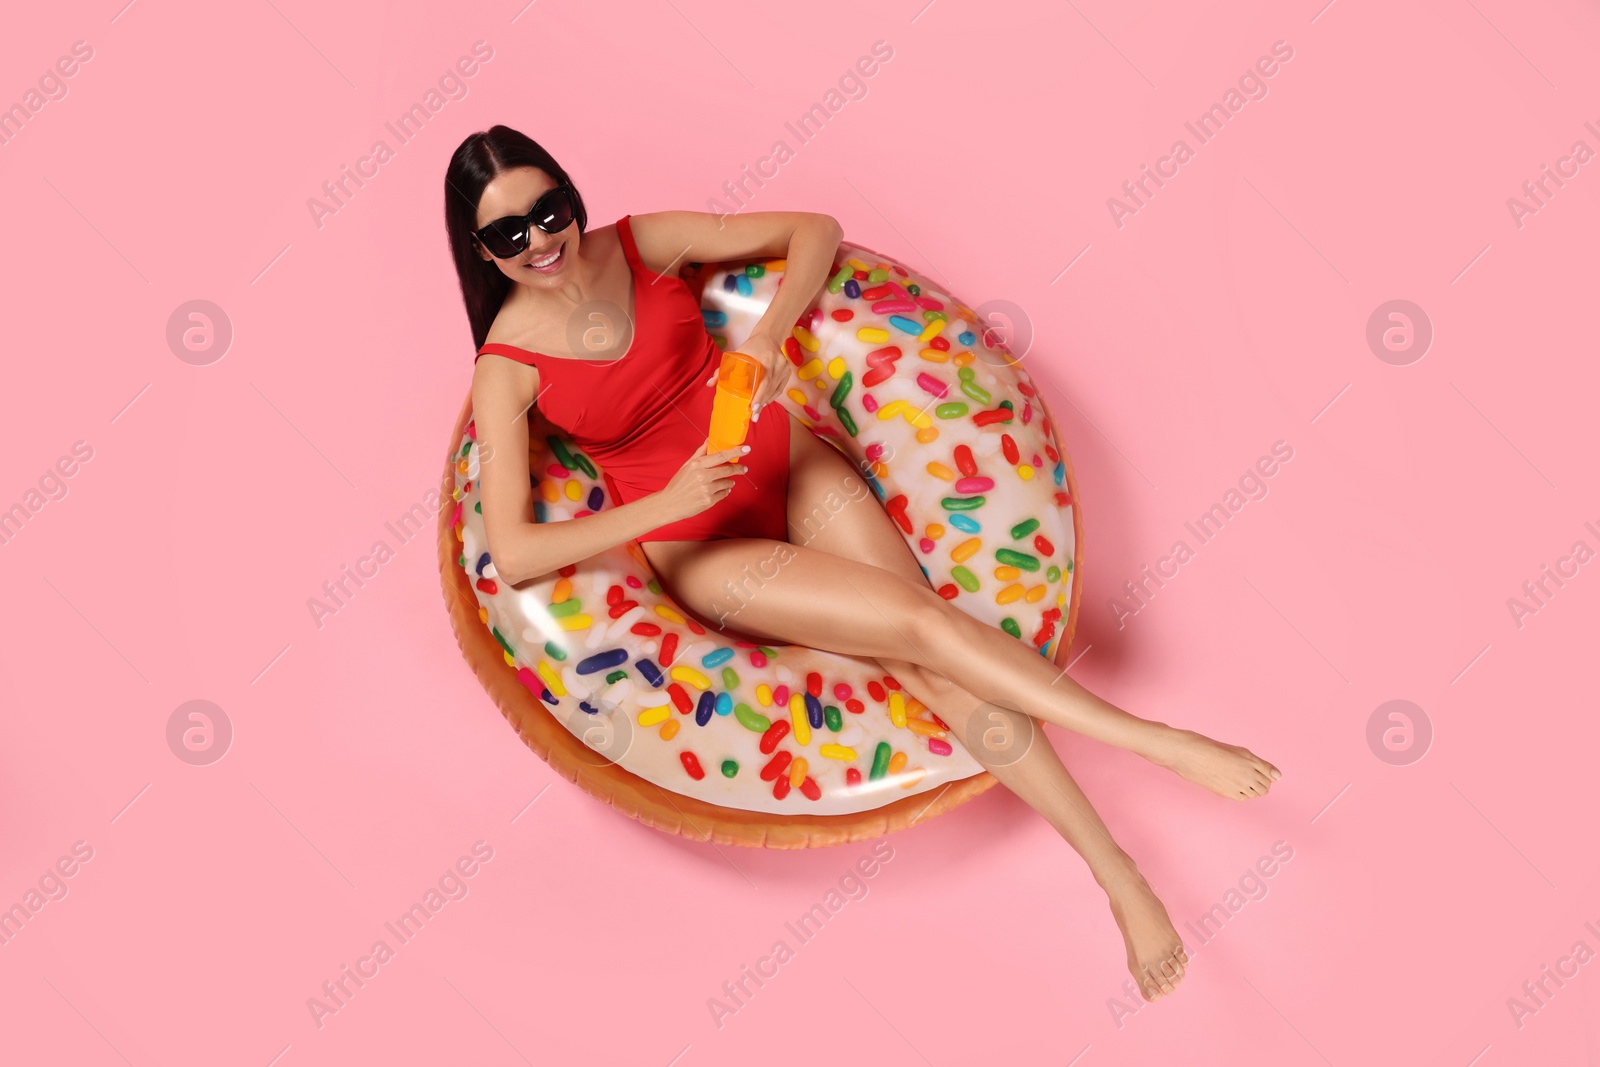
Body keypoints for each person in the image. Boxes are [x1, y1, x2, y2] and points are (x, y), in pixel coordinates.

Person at [445, 124, 1281, 1002]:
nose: (542, 239)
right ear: (483, 251)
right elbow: (516, 550)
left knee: (928, 658)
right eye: (512, 233)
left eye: (549, 209)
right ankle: (1156, 760)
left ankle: (1122, 875)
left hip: (794, 466)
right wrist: (665, 507)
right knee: (920, 625)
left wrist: (766, 337)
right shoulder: (506, 368)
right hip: (706, 548)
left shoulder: (641, 240)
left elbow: (815, 226)